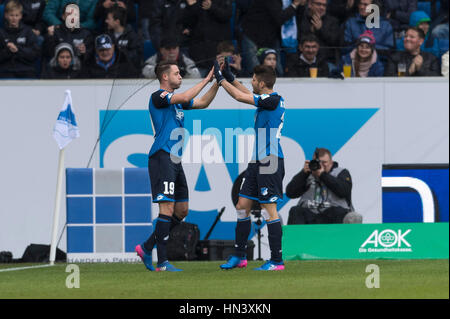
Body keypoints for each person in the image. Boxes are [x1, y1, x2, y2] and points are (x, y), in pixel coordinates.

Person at [135, 61, 219, 272]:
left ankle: (146, 247)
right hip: (162, 156)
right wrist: (206, 79)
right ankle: (162, 262)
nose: (180, 76)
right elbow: (185, 96)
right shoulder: (159, 97)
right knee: (167, 208)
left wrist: (217, 83)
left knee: (181, 211)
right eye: (176, 73)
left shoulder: (177, 103)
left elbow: (202, 103)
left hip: (174, 160)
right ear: (165, 77)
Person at [215, 60, 286, 271]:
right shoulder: (266, 99)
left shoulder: (274, 100)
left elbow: (239, 96)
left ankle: (276, 260)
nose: (251, 82)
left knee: (269, 210)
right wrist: (228, 75)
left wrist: (220, 81)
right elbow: (244, 91)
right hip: (257, 161)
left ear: (262, 83)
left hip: (270, 160)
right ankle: (240, 256)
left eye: (254, 79)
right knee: (242, 206)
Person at [285, 148, 354, 224]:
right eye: (318, 162)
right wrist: (303, 173)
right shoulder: (307, 175)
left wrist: (322, 175)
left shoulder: (341, 173)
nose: (321, 166)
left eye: (324, 162)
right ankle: (298, 236)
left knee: (339, 212)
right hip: (310, 214)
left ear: (331, 162)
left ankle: (337, 236)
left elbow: (344, 191)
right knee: (295, 211)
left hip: (332, 214)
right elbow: (290, 193)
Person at [239, 0, 302, 76]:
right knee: (256, 71)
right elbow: (280, 18)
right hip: (252, 35)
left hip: (271, 36)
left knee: (278, 72)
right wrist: (295, 4)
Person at [182, 0, 233, 76]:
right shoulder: (195, 2)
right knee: (198, 81)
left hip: (219, 49)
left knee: (220, 80)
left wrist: (212, 7)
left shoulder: (223, 2)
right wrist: (192, 6)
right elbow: (187, 21)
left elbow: (227, 15)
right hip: (198, 51)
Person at [0, 0, 40, 78]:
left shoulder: (28, 32)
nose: (14, 18)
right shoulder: (1, 33)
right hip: (6, 71)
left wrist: (18, 50)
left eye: (16, 15)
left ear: (21, 16)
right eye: (11, 15)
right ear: (6, 15)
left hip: (26, 70)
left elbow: (34, 54)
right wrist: (8, 51)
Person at [296, 0, 341, 65]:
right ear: (310, 4)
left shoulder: (332, 21)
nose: (322, 8)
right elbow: (300, 39)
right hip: (304, 61)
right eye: (318, 4)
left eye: (324, 5)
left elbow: (335, 41)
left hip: (327, 61)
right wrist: (311, 31)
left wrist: (320, 29)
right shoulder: (301, 19)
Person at [105, 5, 143, 69]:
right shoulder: (107, 36)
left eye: (108, 19)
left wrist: (118, 51)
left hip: (127, 73)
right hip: (109, 73)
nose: (106, 21)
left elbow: (136, 57)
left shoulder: (132, 36)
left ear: (117, 22)